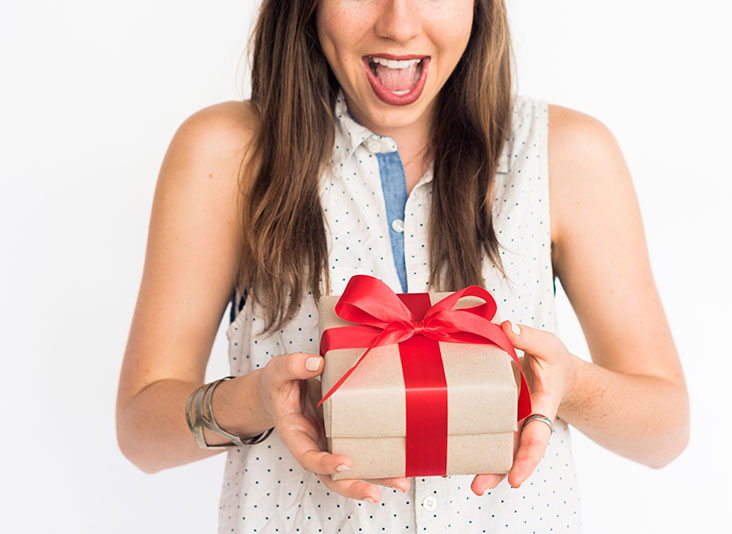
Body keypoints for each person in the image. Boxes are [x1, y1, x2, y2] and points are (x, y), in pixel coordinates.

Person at [116, 0, 690, 532]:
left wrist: (567, 384)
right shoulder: (228, 153)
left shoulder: (566, 154)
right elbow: (141, 432)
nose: (398, 23)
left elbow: (665, 431)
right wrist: (255, 401)